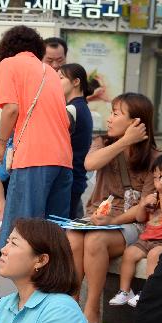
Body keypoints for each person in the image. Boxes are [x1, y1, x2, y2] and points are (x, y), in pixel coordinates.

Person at [68, 93, 160, 323]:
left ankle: (91, 311)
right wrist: (123, 142)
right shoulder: (103, 143)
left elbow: (142, 214)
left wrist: (112, 221)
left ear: (136, 122)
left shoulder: (155, 159)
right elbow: (90, 164)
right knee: (74, 237)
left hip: (129, 223)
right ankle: (70, 306)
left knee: (96, 240)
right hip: (97, 217)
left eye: (116, 114)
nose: (109, 119)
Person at [0, 25, 73, 248]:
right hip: (64, 159)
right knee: (54, 234)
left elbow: (11, 109)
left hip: (34, 157)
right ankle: (53, 282)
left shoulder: (10, 63)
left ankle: (18, 283)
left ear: (6, 48)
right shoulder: (51, 73)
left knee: (22, 231)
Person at [108, 153, 162, 307]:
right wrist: (143, 205)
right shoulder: (155, 196)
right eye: (155, 178)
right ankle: (125, 291)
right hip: (147, 238)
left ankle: (148, 291)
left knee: (153, 256)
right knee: (129, 254)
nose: (158, 182)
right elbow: (139, 218)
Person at [59, 63, 94, 218]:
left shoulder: (72, 109)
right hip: (76, 178)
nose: (57, 82)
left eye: (61, 78)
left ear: (76, 82)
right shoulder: (82, 107)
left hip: (69, 178)